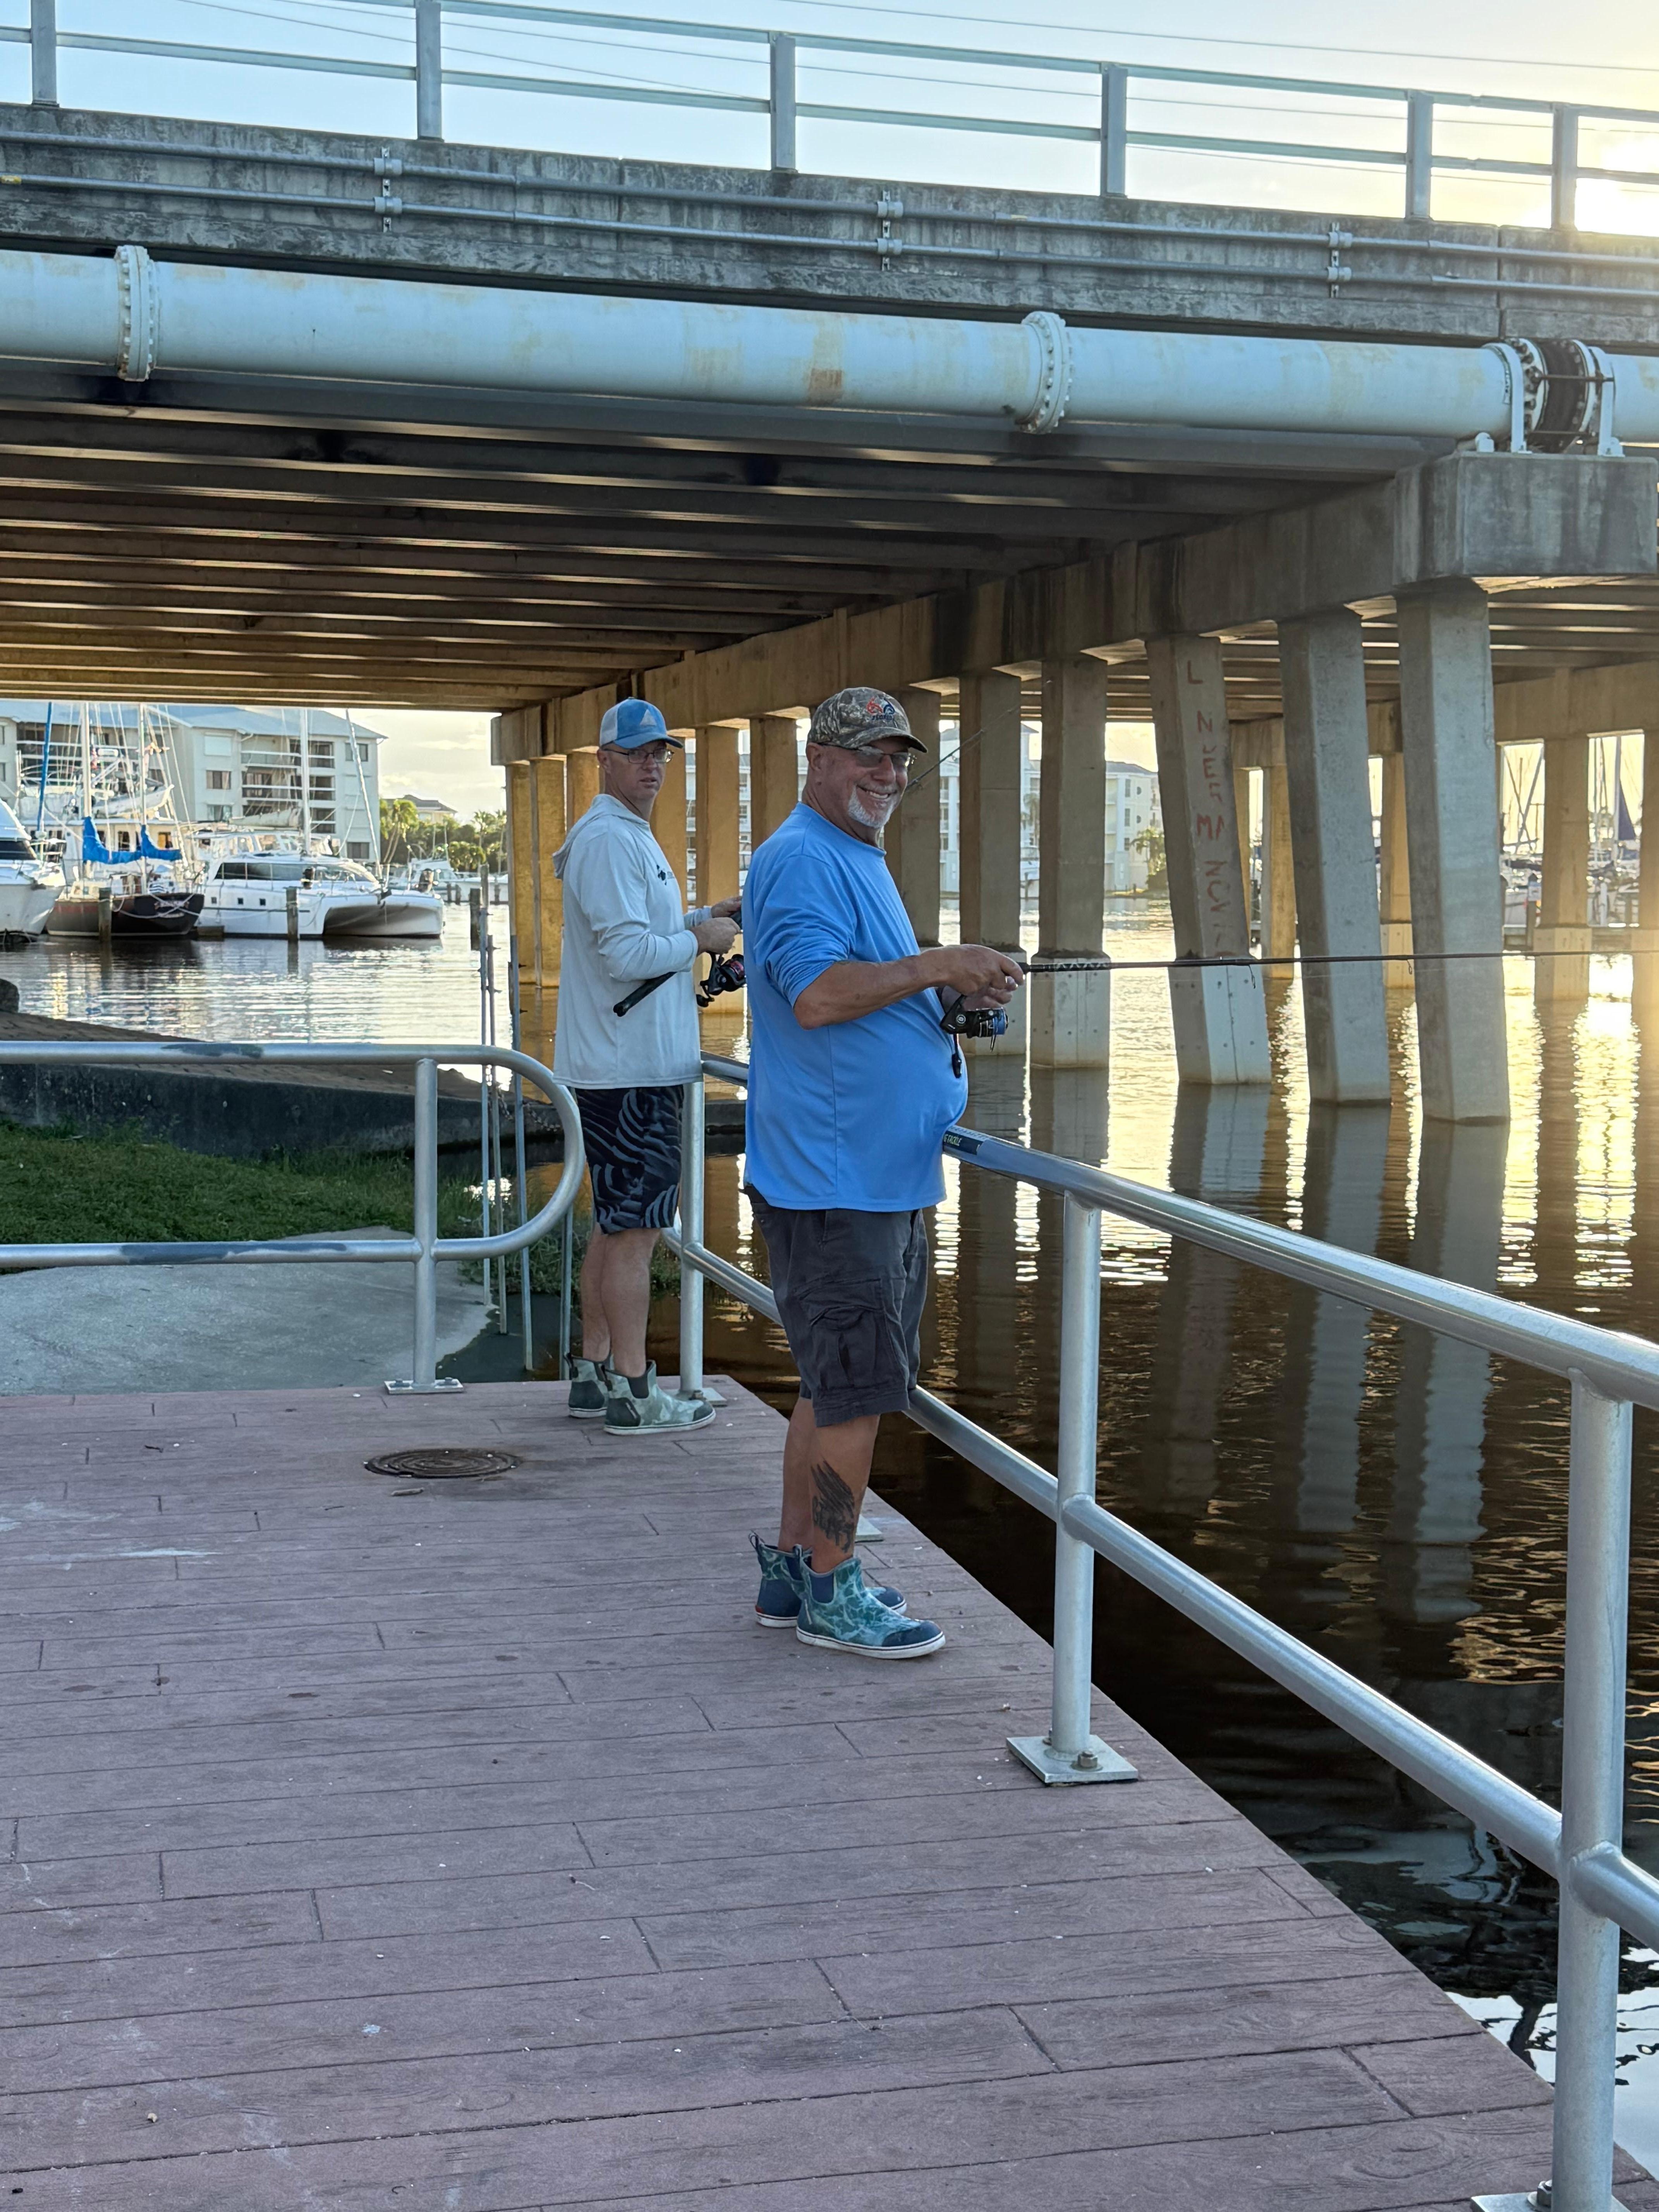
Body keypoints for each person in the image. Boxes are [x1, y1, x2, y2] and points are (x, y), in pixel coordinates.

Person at [741, 687, 1024, 1657]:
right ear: (818, 759)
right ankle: (833, 1591)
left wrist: (946, 1000)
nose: (889, 773)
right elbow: (817, 996)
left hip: (869, 1175)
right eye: (869, 755)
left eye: (899, 758)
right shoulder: (801, 858)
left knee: (831, 1386)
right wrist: (942, 963)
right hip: (839, 1185)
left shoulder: (852, 855)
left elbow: (863, 991)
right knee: (857, 1395)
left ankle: (794, 1570)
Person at [551, 698, 738, 1436]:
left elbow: (639, 933)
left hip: (624, 1066)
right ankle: (635, 1395)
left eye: (660, 753)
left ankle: (593, 1374)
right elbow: (628, 956)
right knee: (637, 1235)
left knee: (614, 1226)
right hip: (632, 1072)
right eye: (636, 754)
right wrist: (701, 942)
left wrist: (701, 919)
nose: (652, 765)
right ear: (604, 761)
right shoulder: (609, 840)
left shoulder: (624, 835)